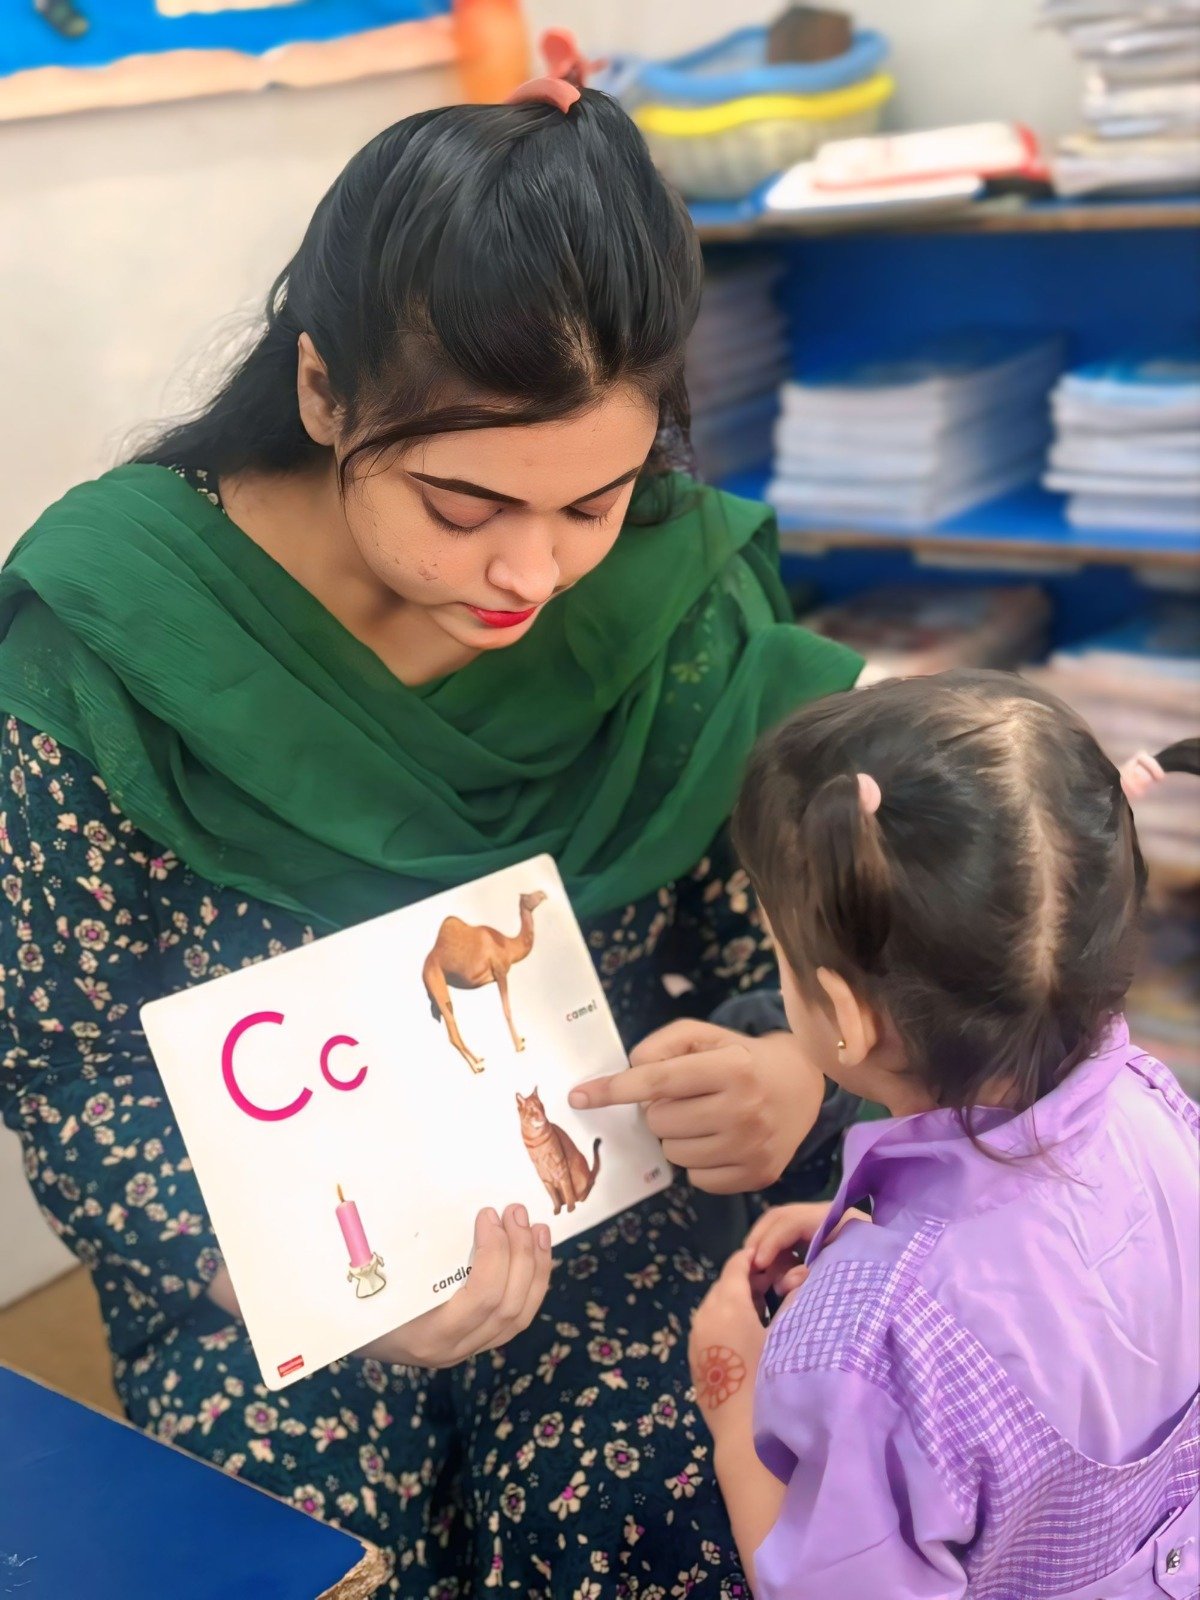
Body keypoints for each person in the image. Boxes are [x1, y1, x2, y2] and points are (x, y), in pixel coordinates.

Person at [0, 78, 867, 1598]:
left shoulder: (677, 597)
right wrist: (295, 1278)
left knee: (672, 1514)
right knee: (305, 1554)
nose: (533, 570)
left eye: (594, 503)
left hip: (620, 1207)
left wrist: (786, 1067)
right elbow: (66, 1065)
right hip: (275, 1252)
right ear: (323, 391)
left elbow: (786, 949)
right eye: (464, 506)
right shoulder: (117, 637)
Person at [688, 672, 1200, 1599]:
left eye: (782, 956)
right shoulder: (1157, 1105)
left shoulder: (870, 1348)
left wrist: (734, 1409)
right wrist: (890, 1253)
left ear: (846, 1016)